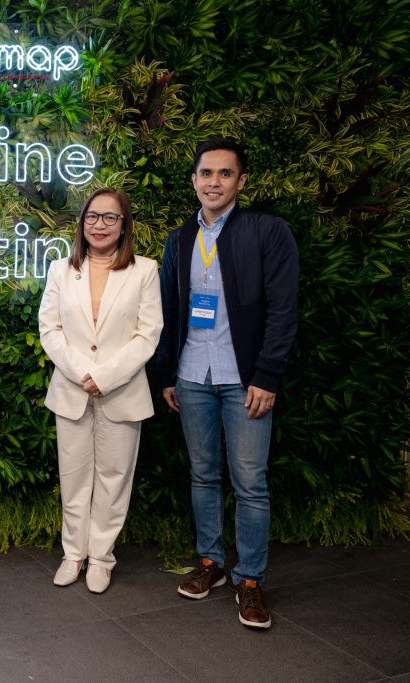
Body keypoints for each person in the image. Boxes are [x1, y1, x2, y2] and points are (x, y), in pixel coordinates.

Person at [156, 137, 298, 630]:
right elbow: (169, 312)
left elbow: (283, 310)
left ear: (240, 181)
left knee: (251, 483)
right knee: (203, 476)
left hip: (245, 381)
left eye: (224, 174)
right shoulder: (178, 241)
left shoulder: (267, 231)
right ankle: (211, 563)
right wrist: (168, 373)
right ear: (194, 180)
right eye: (205, 174)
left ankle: (250, 579)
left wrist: (267, 375)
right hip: (192, 375)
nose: (213, 182)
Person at [39, 187, 163, 594]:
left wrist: (105, 377)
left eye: (110, 218)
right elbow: (50, 330)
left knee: (113, 480)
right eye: (92, 216)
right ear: (82, 222)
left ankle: (101, 558)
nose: (99, 225)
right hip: (72, 391)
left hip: (122, 392)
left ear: (124, 225)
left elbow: (148, 336)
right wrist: (81, 373)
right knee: (73, 478)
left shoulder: (144, 271)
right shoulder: (60, 270)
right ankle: (73, 554)